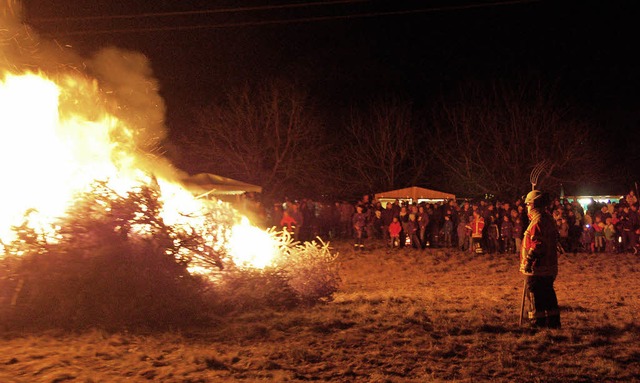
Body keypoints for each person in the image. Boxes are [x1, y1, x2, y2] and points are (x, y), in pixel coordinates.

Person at [520, 189, 561, 329]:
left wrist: (529, 262)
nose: (526, 207)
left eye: (528, 204)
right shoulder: (547, 218)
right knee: (548, 295)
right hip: (548, 267)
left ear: (534, 205)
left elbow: (537, 243)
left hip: (537, 268)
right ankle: (553, 323)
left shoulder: (538, 221)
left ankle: (538, 323)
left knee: (536, 296)